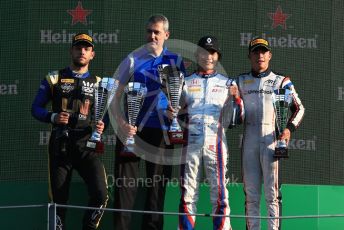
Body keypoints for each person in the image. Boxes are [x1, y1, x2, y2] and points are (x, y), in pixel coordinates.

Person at [110, 14, 186, 230]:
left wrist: (176, 112)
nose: (152, 36)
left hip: (162, 132)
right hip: (131, 131)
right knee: (125, 188)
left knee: (156, 191)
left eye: (157, 32)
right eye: (149, 31)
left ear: (166, 35)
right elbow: (114, 95)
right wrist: (122, 122)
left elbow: (183, 97)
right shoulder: (132, 59)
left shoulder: (176, 61)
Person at [31, 33, 108, 230]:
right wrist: (53, 117)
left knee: (101, 193)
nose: (82, 51)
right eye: (78, 47)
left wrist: (102, 125)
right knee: (58, 201)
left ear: (93, 54)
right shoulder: (54, 78)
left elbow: (104, 115)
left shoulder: (99, 82)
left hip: (87, 145)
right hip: (60, 145)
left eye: (86, 48)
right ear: (71, 51)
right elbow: (36, 108)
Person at [235, 37, 305, 230]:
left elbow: (300, 109)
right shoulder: (240, 81)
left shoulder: (281, 81)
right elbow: (231, 111)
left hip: (271, 143)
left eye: (263, 52)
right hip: (249, 142)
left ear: (270, 55)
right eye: (256, 52)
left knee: (272, 194)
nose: (260, 56)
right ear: (249, 55)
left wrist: (288, 130)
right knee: (251, 195)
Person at [177, 36, 244, 230]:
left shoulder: (227, 83)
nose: (208, 56)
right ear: (197, 55)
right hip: (190, 143)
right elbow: (174, 113)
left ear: (218, 56)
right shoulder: (185, 82)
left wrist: (236, 99)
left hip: (216, 145)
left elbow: (237, 119)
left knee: (220, 194)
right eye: (204, 52)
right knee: (188, 193)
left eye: (212, 52)